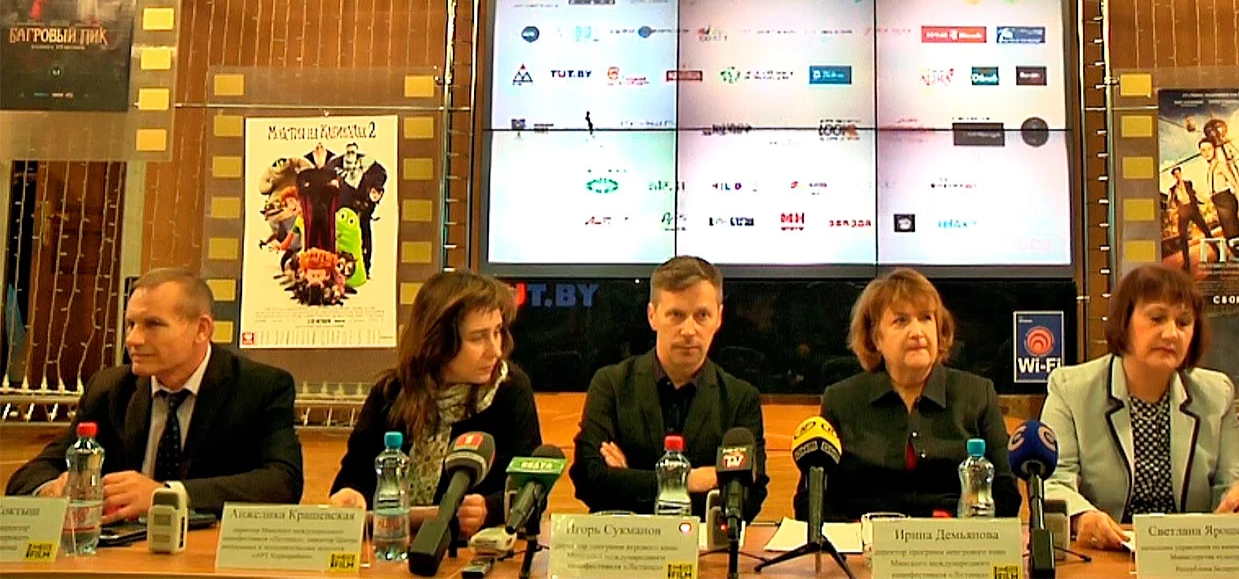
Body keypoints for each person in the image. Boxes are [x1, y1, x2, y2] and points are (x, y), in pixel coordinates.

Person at [5, 268, 303, 520]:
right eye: (131, 324)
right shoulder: (109, 389)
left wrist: (166, 495)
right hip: (124, 554)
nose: (133, 339)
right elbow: (31, 475)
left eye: (153, 325)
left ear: (202, 330)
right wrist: (52, 489)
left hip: (208, 553)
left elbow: (282, 482)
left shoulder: (260, 387)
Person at [1040, 265, 1239, 551]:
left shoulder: (1216, 393)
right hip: (1106, 553)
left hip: (1189, 555)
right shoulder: (1070, 389)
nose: (1171, 334)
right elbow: (1052, 482)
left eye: (1183, 322)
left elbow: (1235, 475)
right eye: (1157, 318)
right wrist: (1081, 516)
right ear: (1124, 322)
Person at [795, 268, 1021, 520]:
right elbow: (811, 502)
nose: (917, 332)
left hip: (955, 539)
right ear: (876, 337)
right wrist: (857, 531)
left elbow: (1006, 496)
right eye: (901, 321)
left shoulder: (978, 395)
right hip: (864, 539)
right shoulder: (841, 401)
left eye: (926, 318)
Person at [329, 271, 540, 536]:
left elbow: (531, 490)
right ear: (438, 340)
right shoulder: (392, 391)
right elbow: (355, 474)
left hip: (472, 548)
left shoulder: (510, 389)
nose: (495, 350)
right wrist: (350, 495)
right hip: (391, 544)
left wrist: (489, 509)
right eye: (478, 338)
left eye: (497, 332)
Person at [569, 256, 769, 519]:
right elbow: (590, 481)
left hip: (706, 543)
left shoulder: (740, 398)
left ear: (719, 318)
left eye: (702, 315)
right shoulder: (612, 385)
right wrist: (692, 480)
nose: (689, 330)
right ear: (652, 316)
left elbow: (749, 498)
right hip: (624, 541)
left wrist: (630, 480)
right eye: (676, 315)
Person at [1166, 166, 1212, 271]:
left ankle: (1218, 252)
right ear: (1173, 176)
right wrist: (1173, 212)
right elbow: (1171, 203)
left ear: (1181, 173)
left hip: (1193, 210)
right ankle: (1187, 264)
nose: (1178, 176)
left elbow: (1196, 194)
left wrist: (1204, 201)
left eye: (1179, 173)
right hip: (1183, 212)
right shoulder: (1172, 190)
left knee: (1206, 231)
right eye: (1175, 174)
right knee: (1183, 237)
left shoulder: (1189, 183)